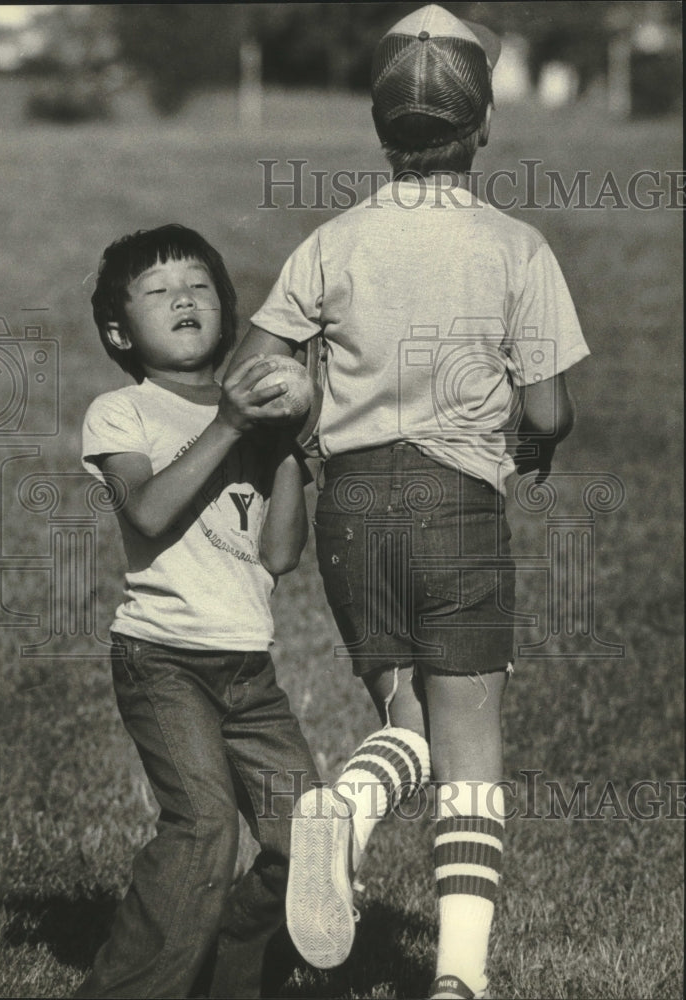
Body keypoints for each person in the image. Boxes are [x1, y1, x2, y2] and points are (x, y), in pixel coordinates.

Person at [225, 6, 590, 999]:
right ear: (481, 129)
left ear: (378, 131)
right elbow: (548, 407)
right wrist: (537, 438)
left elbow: (251, 373)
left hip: (351, 509)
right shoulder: (514, 247)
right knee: (467, 742)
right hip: (457, 505)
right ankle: (459, 979)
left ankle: (343, 803)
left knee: (405, 715)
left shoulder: (329, 242)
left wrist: (300, 426)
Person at [77, 223, 318, 999]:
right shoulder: (123, 411)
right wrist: (230, 426)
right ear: (120, 331)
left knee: (309, 835)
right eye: (157, 291)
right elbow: (146, 513)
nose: (183, 297)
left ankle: (228, 970)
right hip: (164, 659)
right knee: (203, 829)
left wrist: (287, 448)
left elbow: (280, 555)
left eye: (199, 285)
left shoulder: (251, 415)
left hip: (248, 668)